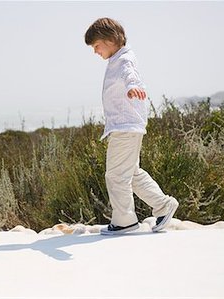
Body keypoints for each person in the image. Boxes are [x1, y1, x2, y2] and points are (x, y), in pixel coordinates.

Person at [84, 17, 179, 235]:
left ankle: (124, 221)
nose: (95, 51)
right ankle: (163, 205)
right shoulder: (117, 59)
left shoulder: (124, 59)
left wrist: (134, 85)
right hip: (128, 126)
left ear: (109, 40)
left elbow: (131, 75)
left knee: (116, 176)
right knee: (131, 173)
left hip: (125, 127)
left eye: (96, 46)